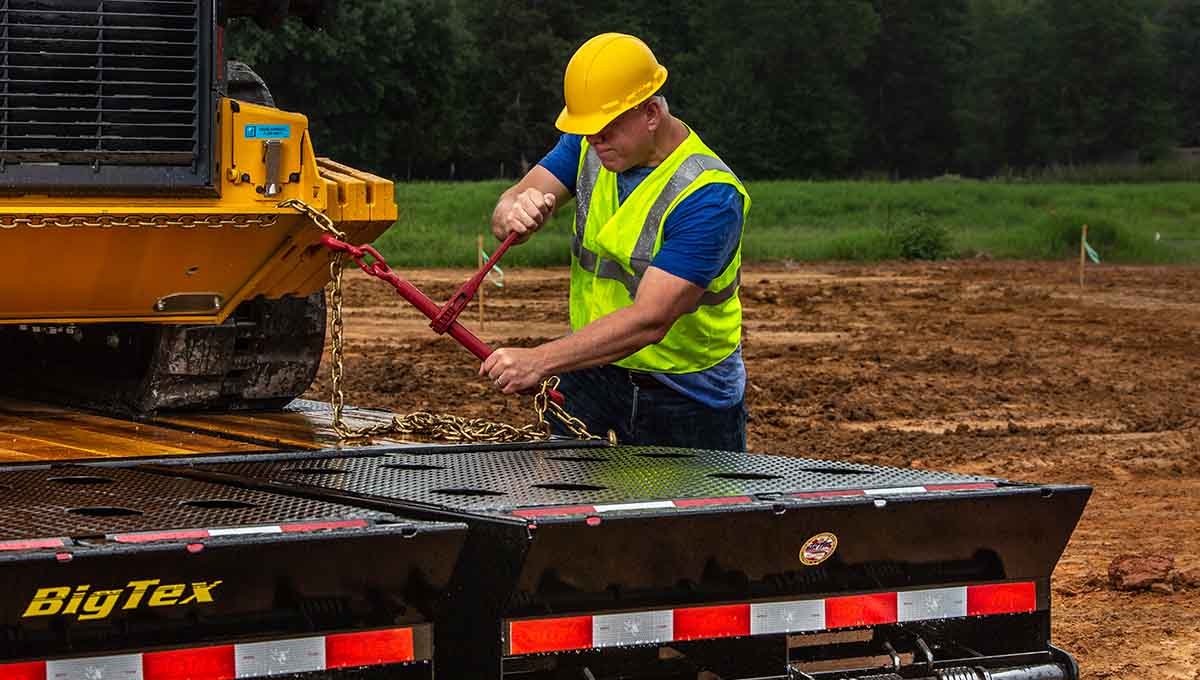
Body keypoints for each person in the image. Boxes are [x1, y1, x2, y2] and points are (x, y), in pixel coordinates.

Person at [481, 32, 751, 451]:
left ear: (651, 112)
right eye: (588, 130)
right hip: (591, 368)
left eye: (606, 129)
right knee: (564, 509)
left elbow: (651, 318)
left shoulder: (709, 196)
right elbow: (507, 207)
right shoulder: (589, 146)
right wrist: (514, 210)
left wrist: (540, 360)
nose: (594, 141)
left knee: (689, 517)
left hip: (682, 393)